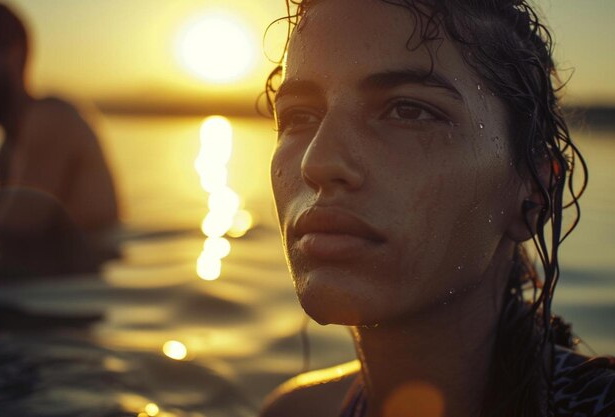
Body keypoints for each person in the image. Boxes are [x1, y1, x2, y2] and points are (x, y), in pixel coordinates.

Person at [260, 0, 615, 416]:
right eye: (299, 116)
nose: (317, 163)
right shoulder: (296, 411)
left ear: (534, 192)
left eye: (408, 110)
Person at [0, 2, 119, 281]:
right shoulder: (6, 152)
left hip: (71, 308)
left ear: (13, 55)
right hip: (38, 295)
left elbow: (16, 229)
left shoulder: (51, 121)